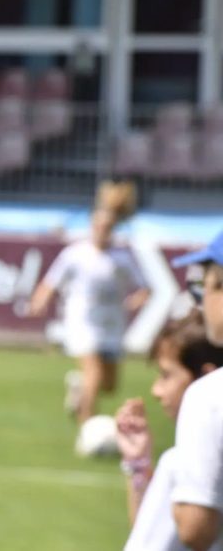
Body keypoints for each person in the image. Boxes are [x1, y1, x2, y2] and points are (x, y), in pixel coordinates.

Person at [28, 199, 150, 430]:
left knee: (109, 385)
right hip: (82, 319)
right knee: (93, 373)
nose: (102, 230)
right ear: (92, 226)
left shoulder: (122, 257)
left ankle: (79, 386)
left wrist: (136, 300)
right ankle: (87, 431)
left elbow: (144, 288)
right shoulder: (75, 254)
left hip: (112, 322)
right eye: (98, 225)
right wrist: (39, 301)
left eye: (107, 226)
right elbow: (51, 282)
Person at [115, 310, 223, 550]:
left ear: (204, 377)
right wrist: (139, 464)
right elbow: (154, 533)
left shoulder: (179, 462)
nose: (156, 390)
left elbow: (152, 544)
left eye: (166, 375)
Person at [165, 229, 223, 551]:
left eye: (206, 287)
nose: (201, 305)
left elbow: (195, 530)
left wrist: (164, 486)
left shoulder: (209, 396)